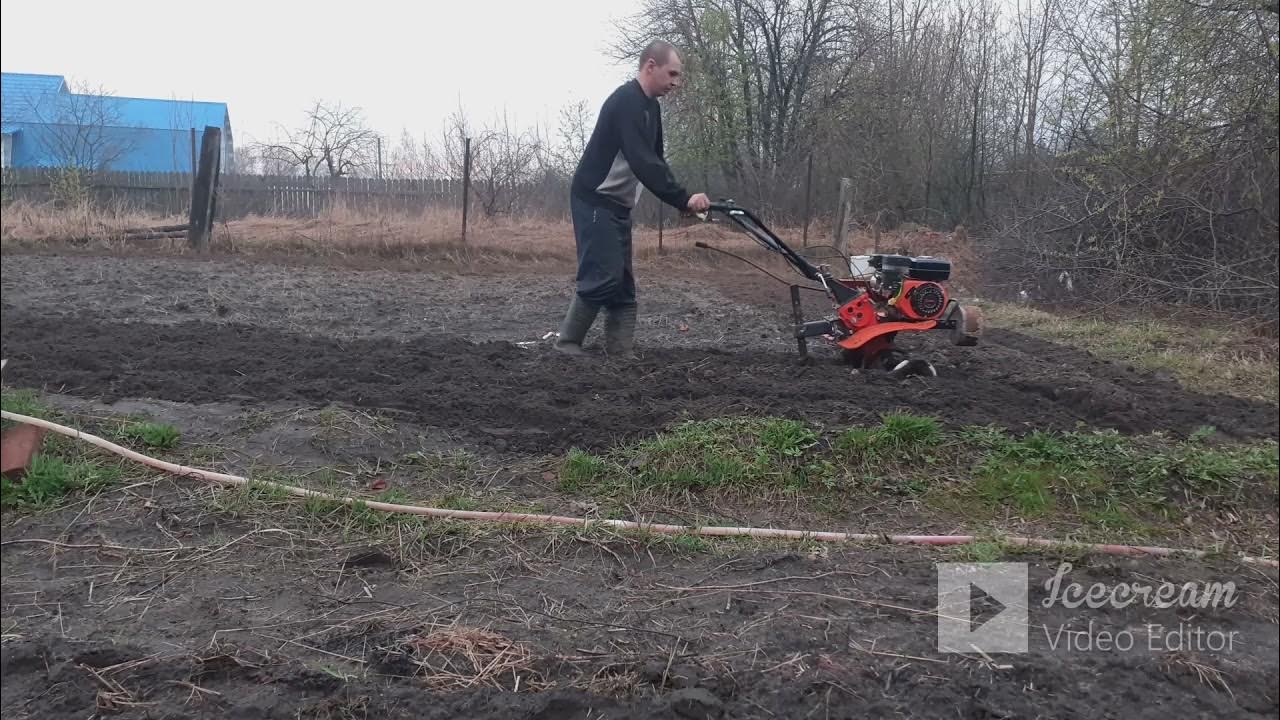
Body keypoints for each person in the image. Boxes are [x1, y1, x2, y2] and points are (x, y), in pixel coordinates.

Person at [554, 39, 712, 359]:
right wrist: (682, 199)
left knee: (623, 283)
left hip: (618, 205)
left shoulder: (650, 107)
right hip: (595, 200)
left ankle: (620, 352)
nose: (676, 83)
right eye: (672, 74)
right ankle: (567, 344)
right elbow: (642, 161)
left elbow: (656, 160)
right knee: (604, 274)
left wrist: (682, 202)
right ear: (650, 67)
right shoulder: (625, 102)